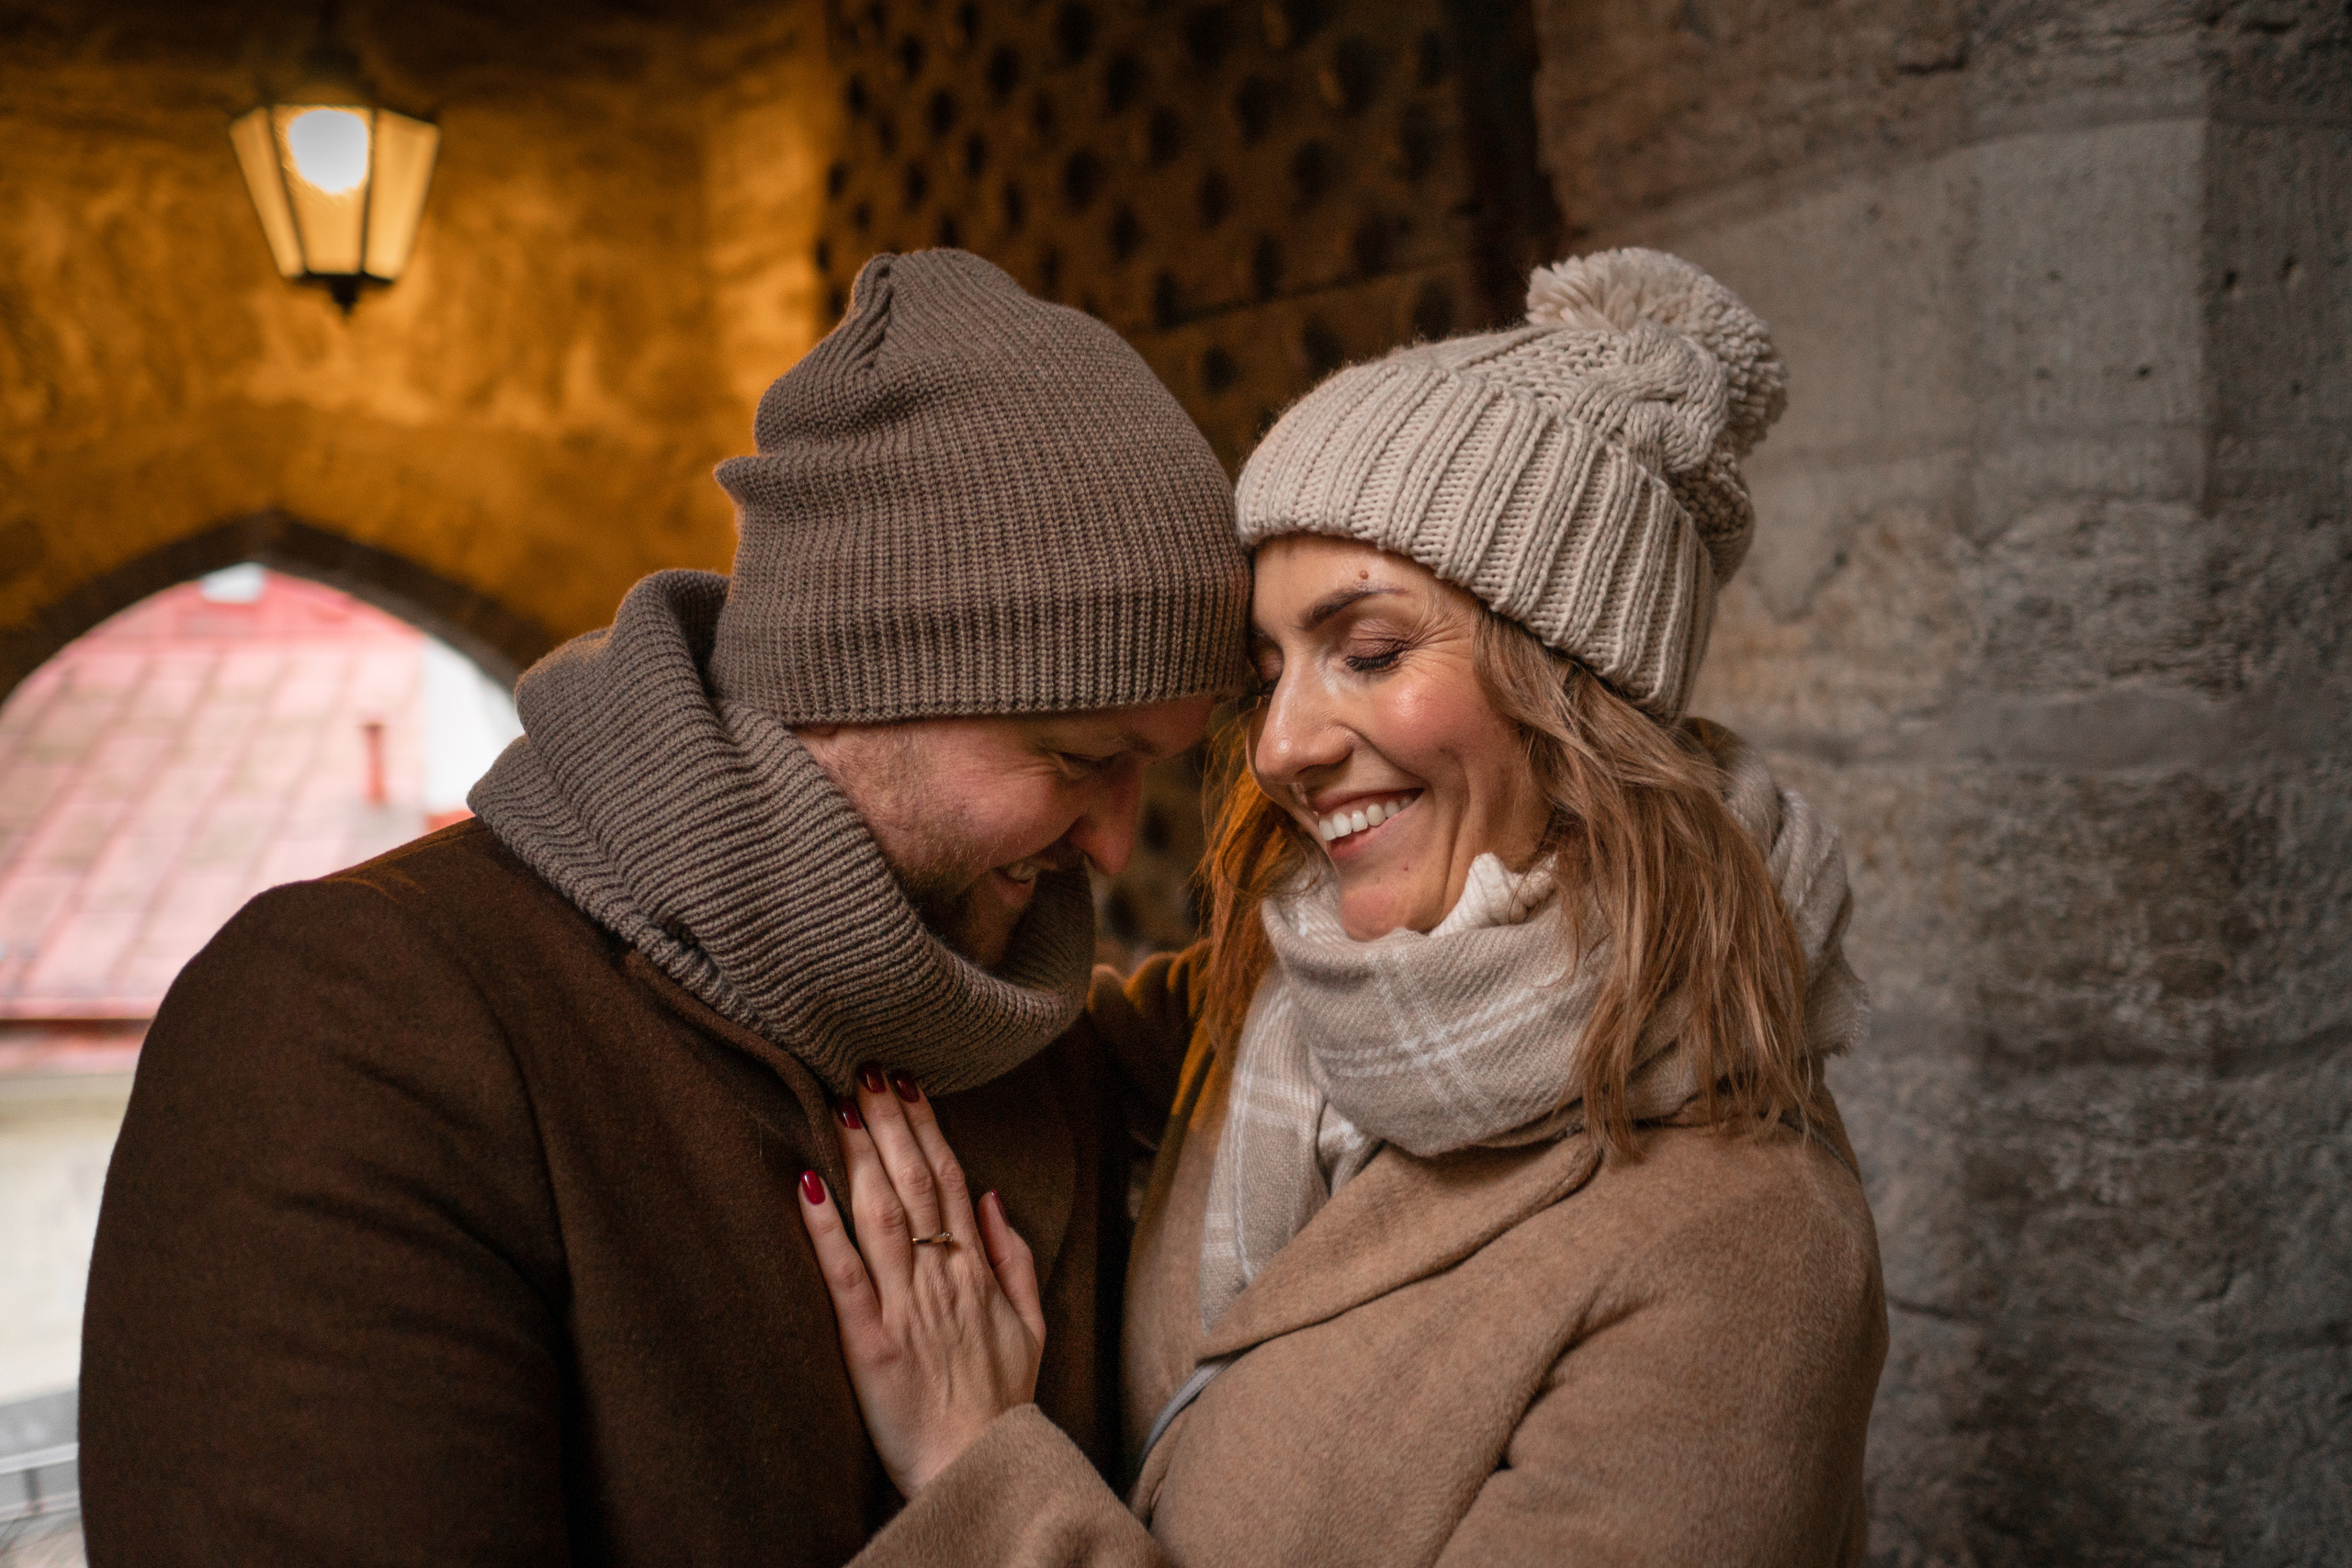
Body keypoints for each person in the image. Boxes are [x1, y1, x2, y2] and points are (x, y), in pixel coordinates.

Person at [77, 250, 1249, 1566]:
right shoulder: (352, 1028)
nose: (1114, 837)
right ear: (858, 677)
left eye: (1159, 762)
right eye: (1079, 755)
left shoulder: (1036, 1048)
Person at [800, 248, 1890, 1565]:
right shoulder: (1281, 1000)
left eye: (1367, 653)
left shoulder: (1745, 1250)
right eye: (1273, 673)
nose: (1280, 749)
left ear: (1579, 687)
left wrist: (984, 1472)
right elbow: (989, 1020)